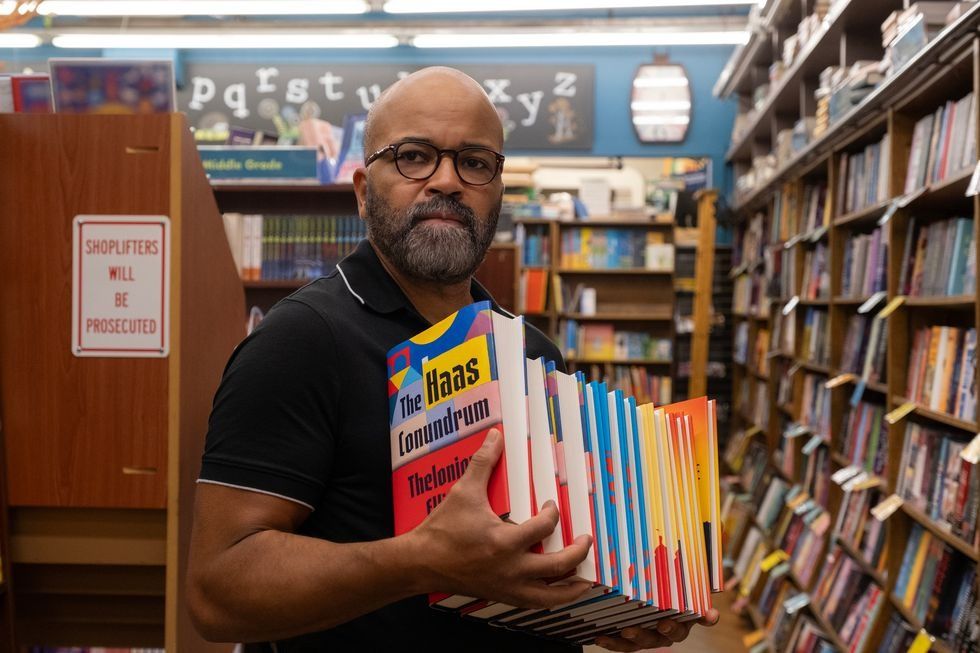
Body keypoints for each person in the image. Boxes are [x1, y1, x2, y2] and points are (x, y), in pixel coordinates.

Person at [186, 66, 718, 652]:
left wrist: (603, 608)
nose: (446, 180)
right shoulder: (301, 341)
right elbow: (216, 593)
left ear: (497, 189)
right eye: (414, 156)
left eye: (474, 161)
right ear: (363, 191)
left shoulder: (533, 354)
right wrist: (421, 561)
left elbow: (545, 554)